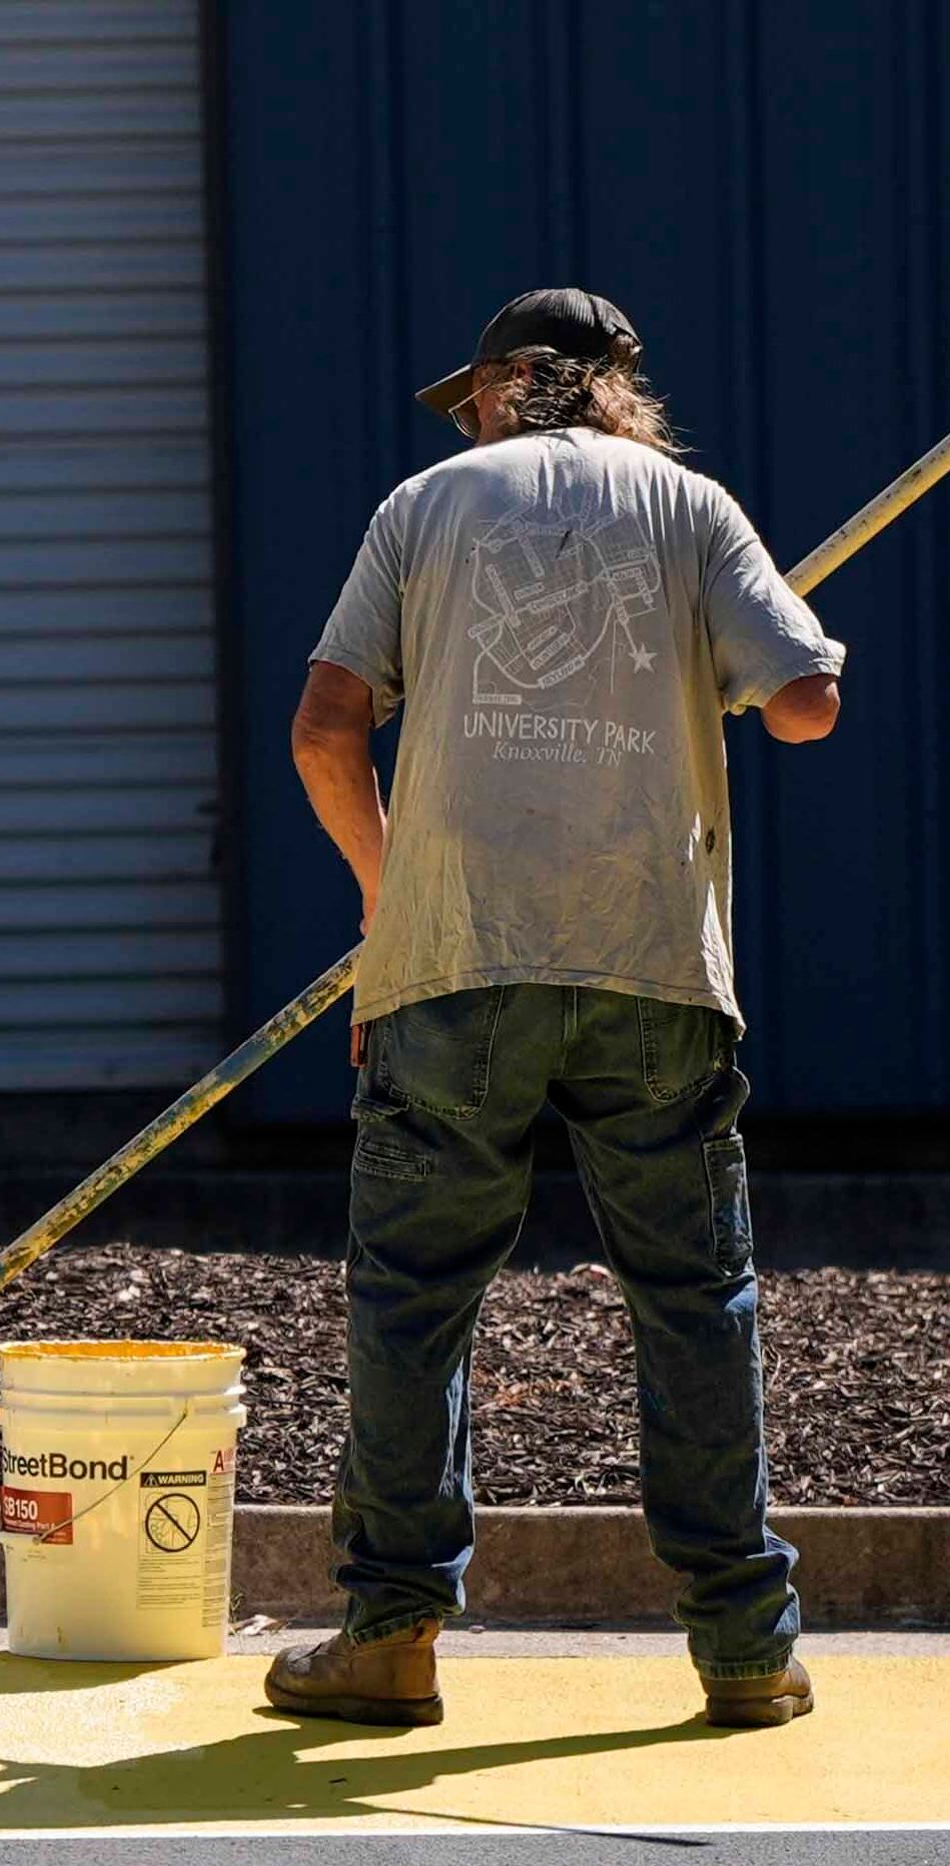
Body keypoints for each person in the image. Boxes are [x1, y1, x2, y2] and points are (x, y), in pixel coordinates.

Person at [262, 289, 845, 1732]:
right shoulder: (692, 510)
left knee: (413, 1305)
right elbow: (809, 708)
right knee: (694, 1304)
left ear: (521, 381)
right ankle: (745, 1650)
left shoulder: (423, 507)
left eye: (473, 389)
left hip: (455, 960)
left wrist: (386, 897)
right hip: (651, 967)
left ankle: (391, 1636)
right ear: (613, 394)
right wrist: (753, 675)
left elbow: (327, 727)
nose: (463, 413)